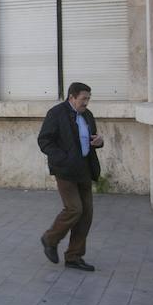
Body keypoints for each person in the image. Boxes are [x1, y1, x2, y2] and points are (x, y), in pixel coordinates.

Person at [38, 82, 104, 272]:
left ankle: (74, 256)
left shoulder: (87, 115)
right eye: (83, 99)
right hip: (65, 170)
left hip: (84, 168)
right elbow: (44, 140)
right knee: (74, 209)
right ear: (72, 97)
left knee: (86, 214)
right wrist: (63, 158)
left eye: (88, 99)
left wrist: (99, 141)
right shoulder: (56, 113)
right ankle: (50, 239)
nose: (86, 103)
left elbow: (92, 138)